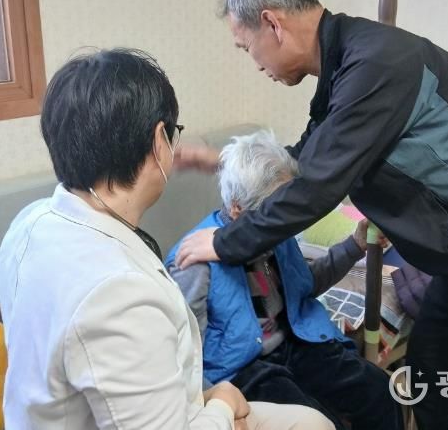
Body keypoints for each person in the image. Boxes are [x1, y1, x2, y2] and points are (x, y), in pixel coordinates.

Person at [174, 0, 448, 430]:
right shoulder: (346, 67)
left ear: (272, 23)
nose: (255, 64)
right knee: (429, 376)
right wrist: (222, 161)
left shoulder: (378, 65)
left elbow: (316, 187)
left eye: (246, 47)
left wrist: (224, 242)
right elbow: (308, 160)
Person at [0, 49, 334, 430]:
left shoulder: (30, 223)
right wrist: (222, 405)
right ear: (161, 140)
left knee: (312, 422)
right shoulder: (118, 294)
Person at [166, 131, 402, 430]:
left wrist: (354, 245)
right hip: (243, 367)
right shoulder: (194, 261)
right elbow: (186, 350)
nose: (284, 220)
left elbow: (304, 286)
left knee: (379, 391)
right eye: (275, 211)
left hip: (296, 340)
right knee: (322, 423)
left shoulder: (277, 231)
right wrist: (213, 407)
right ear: (238, 208)